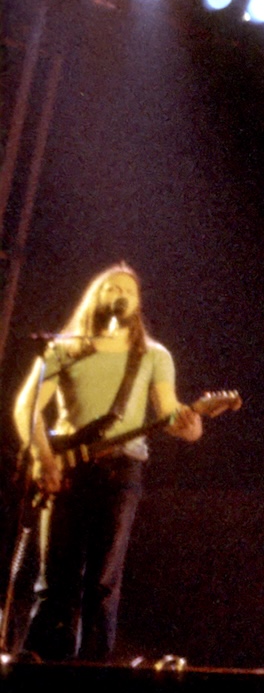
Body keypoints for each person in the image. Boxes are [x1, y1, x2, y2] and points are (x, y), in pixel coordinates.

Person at [11, 265, 202, 661]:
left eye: (128, 290)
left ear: (137, 304)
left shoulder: (153, 355)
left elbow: (169, 413)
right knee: (55, 581)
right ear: (94, 297)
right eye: (110, 287)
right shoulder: (63, 348)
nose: (119, 294)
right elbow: (26, 407)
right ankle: (41, 671)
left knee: (101, 583)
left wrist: (192, 425)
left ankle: (96, 676)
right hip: (64, 468)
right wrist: (46, 461)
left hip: (121, 471)